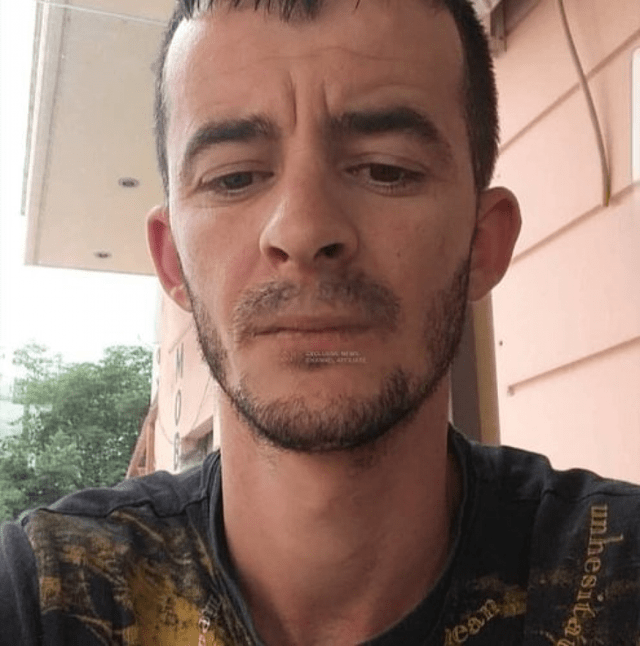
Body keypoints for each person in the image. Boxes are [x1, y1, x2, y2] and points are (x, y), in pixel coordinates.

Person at [2, 0, 639, 644]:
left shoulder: (621, 569)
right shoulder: (43, 596)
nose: (303, 231)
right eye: (235, 178)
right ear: (174, 263)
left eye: (386, 170)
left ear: (483, 242)